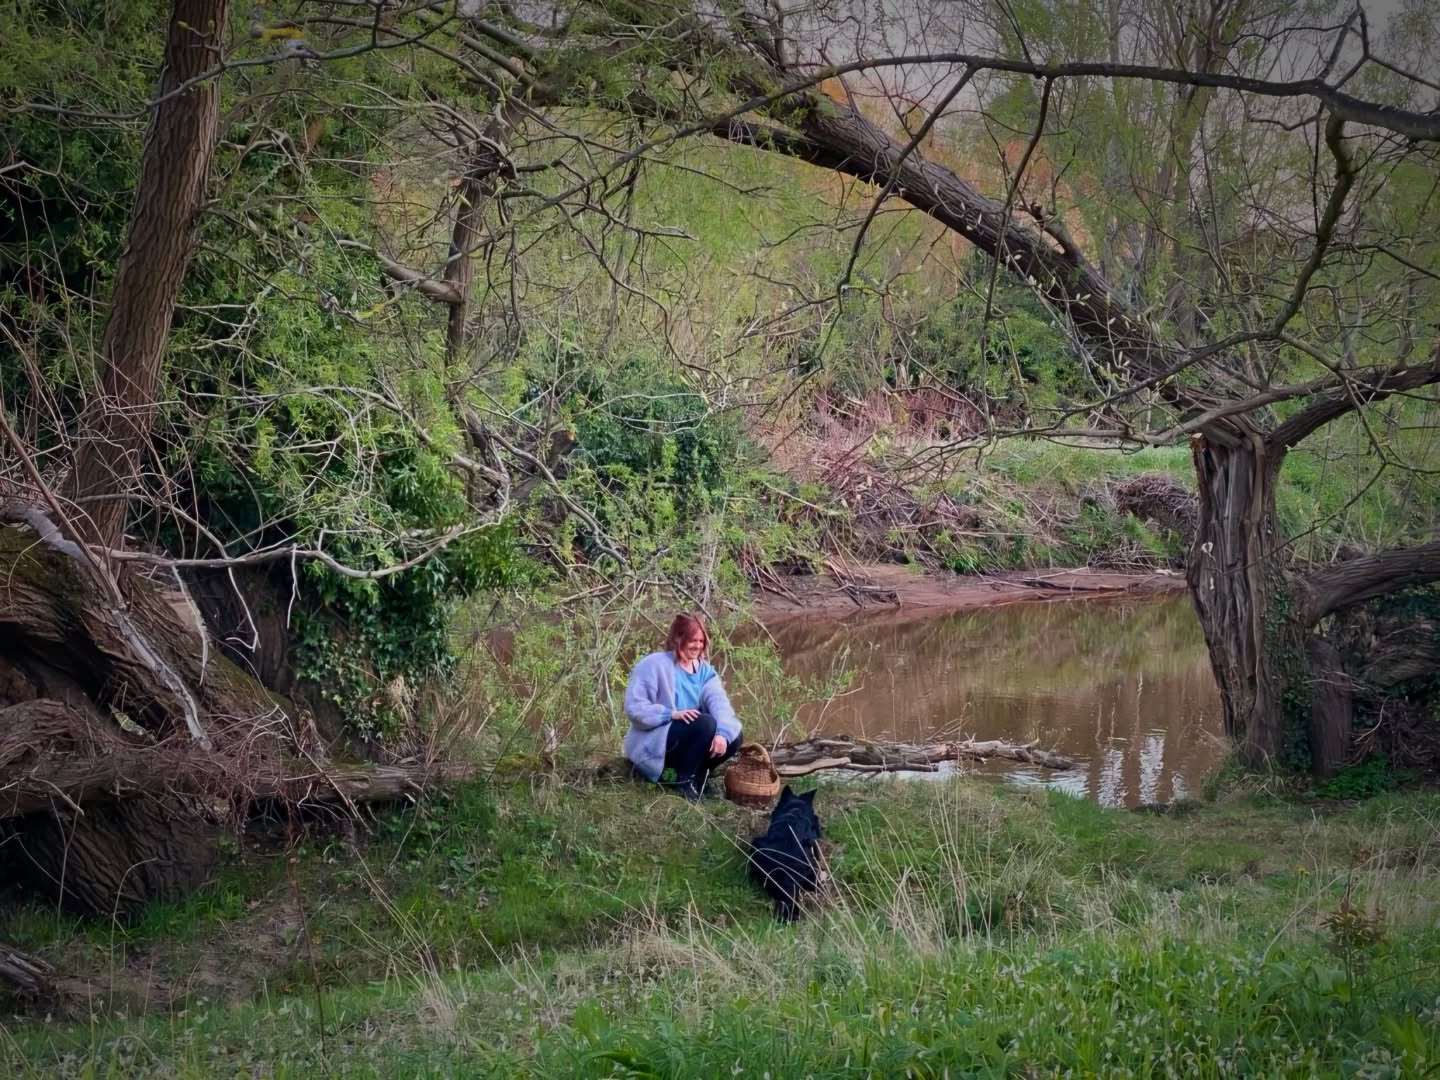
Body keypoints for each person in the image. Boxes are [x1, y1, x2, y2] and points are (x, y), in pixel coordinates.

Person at [623, 612, 742, 800]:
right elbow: (634, 707)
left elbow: (721, 706)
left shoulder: (705, 672)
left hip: (691, 735)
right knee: (705, 724)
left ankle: (698, 776)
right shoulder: (654, 664)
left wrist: (722, 735)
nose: (698, 646)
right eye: (692, 640)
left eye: (701, 641)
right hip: (657, 740)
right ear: (677, 638)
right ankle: (682, 782)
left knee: (732, 734)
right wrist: (670, 714)